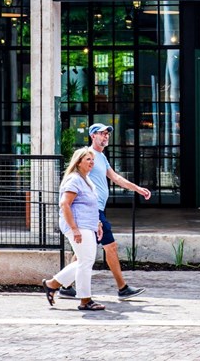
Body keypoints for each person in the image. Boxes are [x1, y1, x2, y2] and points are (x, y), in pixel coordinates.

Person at [58, 122, 151, 301]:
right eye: (102, 133)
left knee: (81, 253)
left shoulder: (101, 157)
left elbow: (115, 177)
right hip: (93, 211)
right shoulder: (88, 156)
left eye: (107, 133)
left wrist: (137, 189)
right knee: (110, 247)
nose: (106, 136)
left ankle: (64, 286)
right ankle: (122, 288)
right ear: (93, 136)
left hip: (97, 210)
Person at [42, 147, 106, 311]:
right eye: (88, 159)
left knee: (85, 261)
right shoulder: (74, 179)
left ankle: (52, 284)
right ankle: (85, 301)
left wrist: (97, 223)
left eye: (93, 159)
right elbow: (65, 204)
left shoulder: (87, 180)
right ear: (78, 162)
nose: (92, 162)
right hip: (78, 226)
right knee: (86, 262)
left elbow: (91, 206)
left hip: (87, 225)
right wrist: (74, 229)